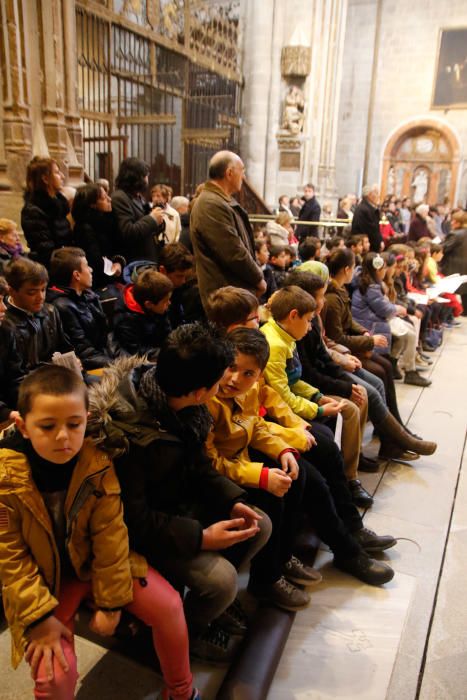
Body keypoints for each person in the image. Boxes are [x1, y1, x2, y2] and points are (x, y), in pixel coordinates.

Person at [0, 365, 197, 700]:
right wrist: (38, 618)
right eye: (47, 426)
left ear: (87, 418)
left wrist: (110, 602)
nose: (63, 437)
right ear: (23, 426)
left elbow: (110, 534)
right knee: (54, 674)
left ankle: (181, 692)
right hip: (47, 582)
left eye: (74, 424)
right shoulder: (6, 479)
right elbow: (10, 559)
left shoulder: (97, 459)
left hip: (95, 564)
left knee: (169, 607)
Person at [88, 323, 271, 663]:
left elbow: (200, 467)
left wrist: (234, 500)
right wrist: (201, 538)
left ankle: (208, 611)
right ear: (201, 390)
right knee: (222, 580)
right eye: (224, 374)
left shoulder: (186, 407)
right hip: (141, 532)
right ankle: (176, 638)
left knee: (259, 523)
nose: (229, 382)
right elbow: (133, 521)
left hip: (178, 508)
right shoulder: (127, 434)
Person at [206, 328, 396, 586]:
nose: (235, 378)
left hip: (245, 452)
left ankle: (347, 540)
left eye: (248, 373)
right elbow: (212, 458)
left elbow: (257, 419)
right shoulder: (210, 393)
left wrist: (286, 444)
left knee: (308, 466)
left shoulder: (250, 379)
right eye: (231, 368)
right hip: (227, 468)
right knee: (288, 484)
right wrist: (267, 466)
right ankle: (271, 577)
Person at [322, 249, 437, 459]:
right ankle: (393, 438)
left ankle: (394, 433)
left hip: (348, 349)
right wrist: (368, 340)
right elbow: (336, 338)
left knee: (384, 368)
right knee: (377, 379)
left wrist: (364, 333)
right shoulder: (331, 298)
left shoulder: (339, 292)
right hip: (343, 354)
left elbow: (348, 324)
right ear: (347, 269)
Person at [190, 150, 265, 307]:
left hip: (234, 292)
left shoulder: (220, 200)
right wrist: (258, 279)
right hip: (225, 297)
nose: (243, 176)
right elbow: (233, 252)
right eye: (242, 170)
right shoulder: (211, 204)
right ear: (229, 173)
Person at [351, 252, 430, 387]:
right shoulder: (371, 286)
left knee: (408, 330)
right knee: (409, 334)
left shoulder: (371, 282)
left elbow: (385, 306)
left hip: (375, 319)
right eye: (385, 268)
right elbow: (385, 309)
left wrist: (397, 309)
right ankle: (410, 371)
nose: (387, 271)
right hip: (371, 324)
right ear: (377, 270)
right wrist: (398, 309)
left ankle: (395, 363)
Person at [3, 258, 74, 373]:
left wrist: (74, 362)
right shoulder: (5, 323)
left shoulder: (50, 311)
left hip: (56, 377)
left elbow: (65, 348)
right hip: (32, 385)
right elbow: (13, 377)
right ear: (12, 291)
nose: (40, 297)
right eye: (32, 292)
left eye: (43, 290)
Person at [47, 247, 114, 369]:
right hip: (91, 367)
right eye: (87, 266)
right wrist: (119, 364)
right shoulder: (62, 306)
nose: (91, 270)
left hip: (104, 358)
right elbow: (85, 353)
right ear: (77, 275)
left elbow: (107, 336)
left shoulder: (88, 295)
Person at [21, 157, 74, 267]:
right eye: (57, 173)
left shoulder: (59, 204)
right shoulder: (33, 211)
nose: (63, 177)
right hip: (52, 269)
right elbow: (46, 252)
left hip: (66, 264)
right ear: (45, 179)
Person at [72, 183, 125, 290]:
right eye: (104, 198)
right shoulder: (85, 228)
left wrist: (118, 262)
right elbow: (95, 261)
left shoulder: (108, 220)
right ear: (93, 204)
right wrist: (112, 269)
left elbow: (118, 247)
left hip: (110, 278)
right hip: (97, 284)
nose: (110, 199)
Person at [111, 158, 166, 263]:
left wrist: (158, 220)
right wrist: (152, 218)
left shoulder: (137, 196)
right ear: (135, 177)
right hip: (134, 261)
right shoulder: (119, 198)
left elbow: (145, 225)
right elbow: (128, 232)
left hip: (146, 258)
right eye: (145, 176)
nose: (147, 180)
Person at [112, 267, 173, 359]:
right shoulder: (126, 319)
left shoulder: (159, 305)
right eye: (165, 301)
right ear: (149, 304)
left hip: (157, 351)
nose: (169, 303)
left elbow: (167, 334)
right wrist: (165, 352)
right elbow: (135, 352)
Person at [0, 275, 24, 425]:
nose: (4, 307)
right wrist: (9, 414)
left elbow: (16, 378)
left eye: (3, 300)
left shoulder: (5, 330)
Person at [157, 242, 196, 328]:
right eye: (179, 276)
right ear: (162, 270)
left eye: (185, 276)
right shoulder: (149, 294)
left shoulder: (178, 289)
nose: (183, 281)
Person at [351, 185, 383, 252]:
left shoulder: (369, 208)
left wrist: (380, 241)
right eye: (376, 193)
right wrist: (378, 243)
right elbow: (370, 230)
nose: (378, 196)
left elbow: (376, 228)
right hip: (366, 245)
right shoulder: (364, 209)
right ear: (369, 195)